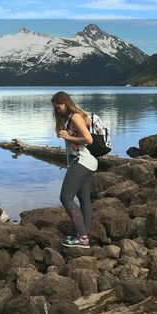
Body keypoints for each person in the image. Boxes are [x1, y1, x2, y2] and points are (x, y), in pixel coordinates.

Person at [52, 91, 96, 248]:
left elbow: (88, 139)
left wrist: (68, 137)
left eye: (58, 104)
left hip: (82, 161)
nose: (56, 108)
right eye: (54, 105)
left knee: (65, 197)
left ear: (65, 102)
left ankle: (82, 238)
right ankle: (84, 235)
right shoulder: (68, 119)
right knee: (84, 200)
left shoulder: (75, 117)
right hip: (87, 162)